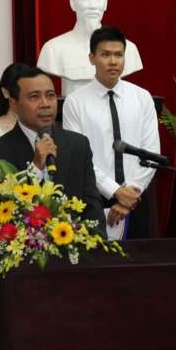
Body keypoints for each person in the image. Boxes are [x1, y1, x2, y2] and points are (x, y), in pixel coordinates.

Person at [0, 64, 106, 230]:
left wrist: (95, 244)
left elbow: (93, 209)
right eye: (34, 97)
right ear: (14, 104)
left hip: (74, 244)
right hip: (23, 243)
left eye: (50, 95)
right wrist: (36, 167)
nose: (45, 104)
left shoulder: (78, 144)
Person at [62, 26, 160, 238]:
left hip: (136, 198)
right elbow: (78, 158)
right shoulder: (75, 102)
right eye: (105, 55)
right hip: (93, 199)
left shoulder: (142, 97)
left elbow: (151, 151)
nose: (113, 61)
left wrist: (130, 194)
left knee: (141, 257)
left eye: (119, 55)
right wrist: (115, 191)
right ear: (92, 58)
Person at [37, 0, 143, 96]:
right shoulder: (53, 49)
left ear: (105, 2)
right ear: (72, 2)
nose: (92, 5)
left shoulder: (129, 49)